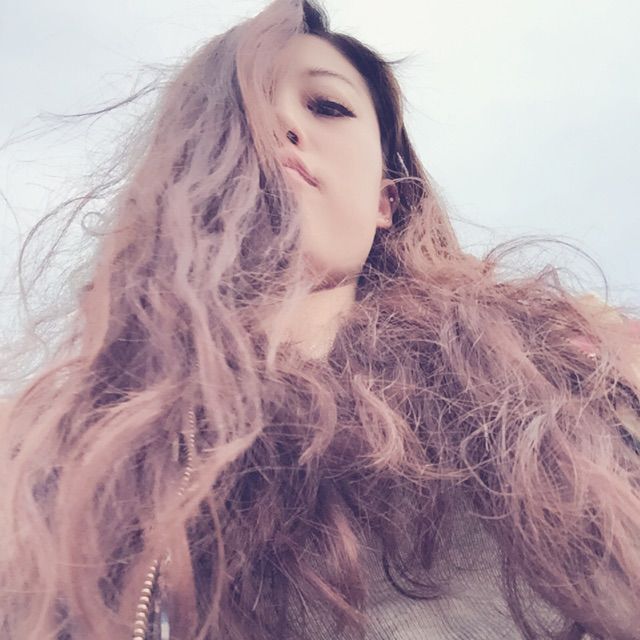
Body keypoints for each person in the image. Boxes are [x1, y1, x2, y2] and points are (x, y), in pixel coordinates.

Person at [1, 1, 639, 638]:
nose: (280, 121)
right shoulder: (40, 460)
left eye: (328, 106)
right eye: (239, 111)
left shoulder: (558, 368)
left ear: (386, 201)